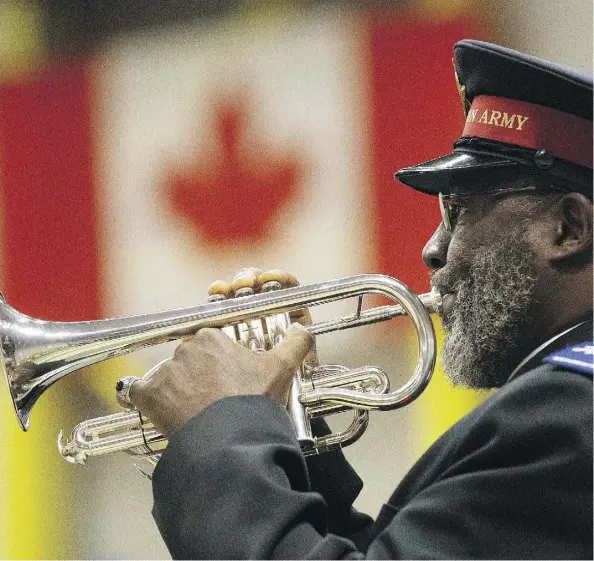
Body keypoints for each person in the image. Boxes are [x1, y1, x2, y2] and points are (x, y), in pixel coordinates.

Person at [125, 40, 593, 559]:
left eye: (459, 211)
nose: (432, 250)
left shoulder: (565, 417)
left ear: (567, 228)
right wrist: (284, 426)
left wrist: (219, 430)